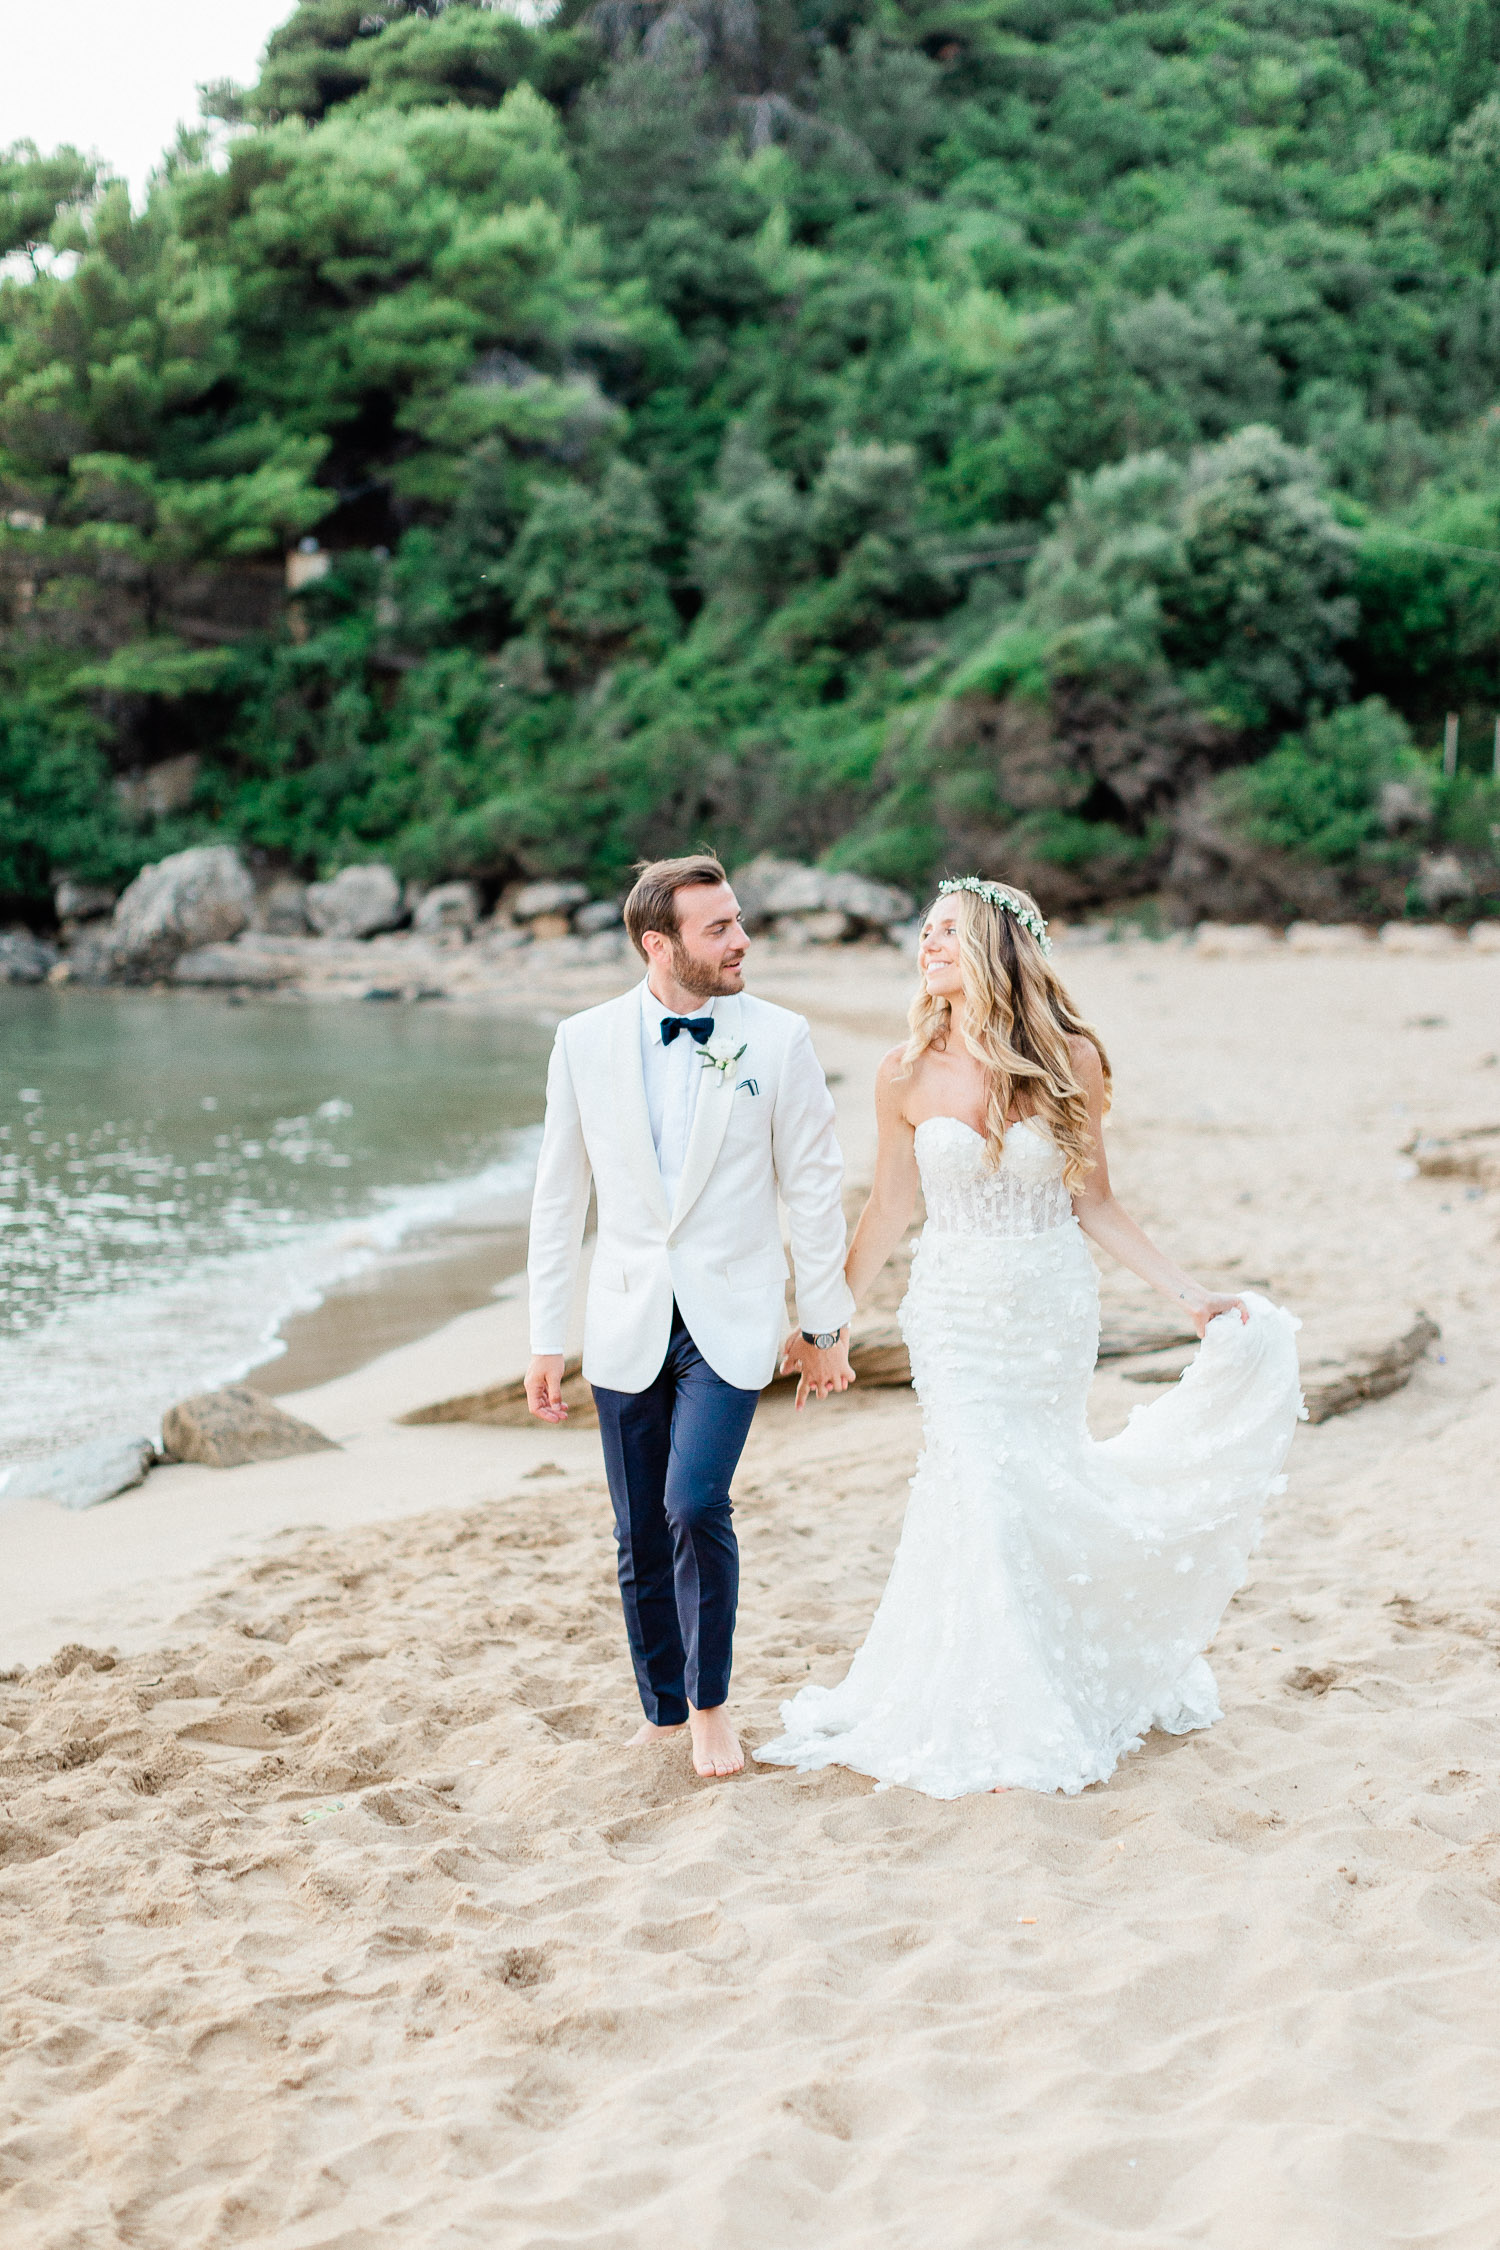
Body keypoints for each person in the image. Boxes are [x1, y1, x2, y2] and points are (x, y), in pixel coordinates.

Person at [762, 876, 1303, 1799]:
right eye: (922, 932)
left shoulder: (1072, 1059)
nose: (925, 946)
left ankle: (1041, 1684)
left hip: (1049, 1305)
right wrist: (824, 1323)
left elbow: (1093, 1199)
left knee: (1036, 1477)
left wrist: (1188, 1296)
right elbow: (890, 1207)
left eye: (942, 932)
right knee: (979, 1478)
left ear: (989, 944)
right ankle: (991, 1699)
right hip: (957, 1310)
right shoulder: (902, 1072)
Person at [525, 853, 854, 1778]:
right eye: (719, 928)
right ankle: (663, 1708)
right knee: (636, 1531)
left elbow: (815, 1190)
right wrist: (546, 1337)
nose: (742, 939)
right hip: (626, 1317)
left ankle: (711, 1705)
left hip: (734, 1317)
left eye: (740, 920)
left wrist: (824, 1327)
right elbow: (560, 1198)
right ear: (657, 944)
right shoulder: (582, 1041)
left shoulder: (779, 1039)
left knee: (693, 1502)